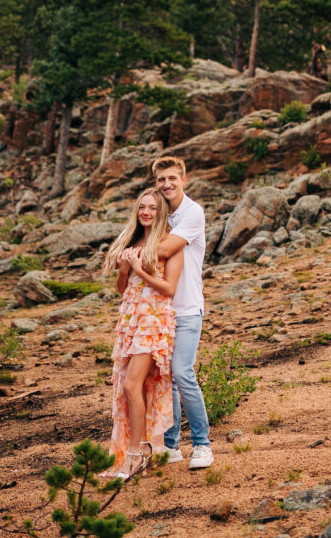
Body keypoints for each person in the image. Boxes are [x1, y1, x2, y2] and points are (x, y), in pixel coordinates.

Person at [102, 188, 183, 478]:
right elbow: (122, 289)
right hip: (131, 321)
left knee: (131, 384)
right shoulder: (131, 241)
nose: (146, 212)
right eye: (142, 207)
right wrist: (125, 269)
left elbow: (169, 288)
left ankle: (137, 454)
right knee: (130, 387)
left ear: (161, 212)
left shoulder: (169, 243)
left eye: (152, 208)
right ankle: (140, 450)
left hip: (154, 321)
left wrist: (141, 269)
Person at [151, 154, 214, 470]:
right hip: (161, 310)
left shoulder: (193, 212)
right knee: (166, 379)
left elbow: (162, 250)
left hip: (188, 307)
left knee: (182, 373)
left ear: (183, 180)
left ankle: (202, 444)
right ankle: (172, 444)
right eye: (161, 179)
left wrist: (135, 250)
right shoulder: (158, 213)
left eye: (172, 178)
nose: (167, 184)